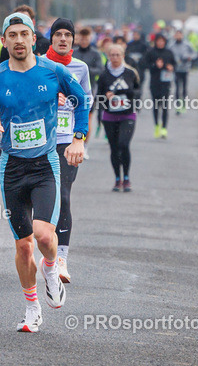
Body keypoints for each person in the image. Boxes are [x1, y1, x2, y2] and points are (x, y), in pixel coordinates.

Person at [0, 12, 88, 333]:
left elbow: (82, 101)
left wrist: (78, 138)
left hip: (45, 165)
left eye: (24, 34)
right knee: (23, 246)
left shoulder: (55, 71)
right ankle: (32, 307)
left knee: (44, 235)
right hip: (12, 168)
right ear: (3, 41)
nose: (19, 40)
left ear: (34, 39)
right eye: (12, 35)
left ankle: (51, 266)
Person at [45, 18, 92, 284]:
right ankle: (43, 244)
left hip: (68, 140)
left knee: (63, 194)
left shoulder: (80, 68)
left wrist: (80, 139)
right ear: (51, 39)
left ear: (73, 40)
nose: (63, 39)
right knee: (42, 195)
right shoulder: (39, 64)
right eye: (58, 34)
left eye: (67, 35)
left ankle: (61, 257)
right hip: (42, 139)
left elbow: (86, 101)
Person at [96, 44, 141, 192]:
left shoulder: (130, 73)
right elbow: (99, 96)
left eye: (118, 55)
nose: (115, 58)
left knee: (123, 144)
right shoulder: (104, 75)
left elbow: (137, 90)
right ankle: (117, 178)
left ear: (123, 56)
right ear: (108, 56)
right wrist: (106, 96)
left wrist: (127, 93)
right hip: (110, 116)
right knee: (114, 148)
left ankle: (126, 177)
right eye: (112, 55)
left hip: (127, 114)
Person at [141, 33, 176, 138]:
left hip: (166, 83)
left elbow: (174, 64)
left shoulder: (168, 52)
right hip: (154, 83)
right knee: (156, 106)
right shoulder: (151, 52)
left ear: (165, 42)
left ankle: (164, 128)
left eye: (162, 41)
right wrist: (154, 65)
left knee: (165, 106)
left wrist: (170, 67)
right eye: (158, 41)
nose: (160, 43)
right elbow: (143, 64)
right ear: (155, 42)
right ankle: (157, 125)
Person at [168, 29, 197, 114]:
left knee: (184, 87)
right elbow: (167, 54)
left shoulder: (187, 44)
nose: (178, 36)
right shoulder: (171, 45)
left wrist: (189, 57)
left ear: (182, 35)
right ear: (174, 36)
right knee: (177, 87)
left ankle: (183, 103)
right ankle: (178, 105)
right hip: (176, 69)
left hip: (185, 68)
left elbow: (194, 53)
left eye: (180, 35)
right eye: (176, 35)